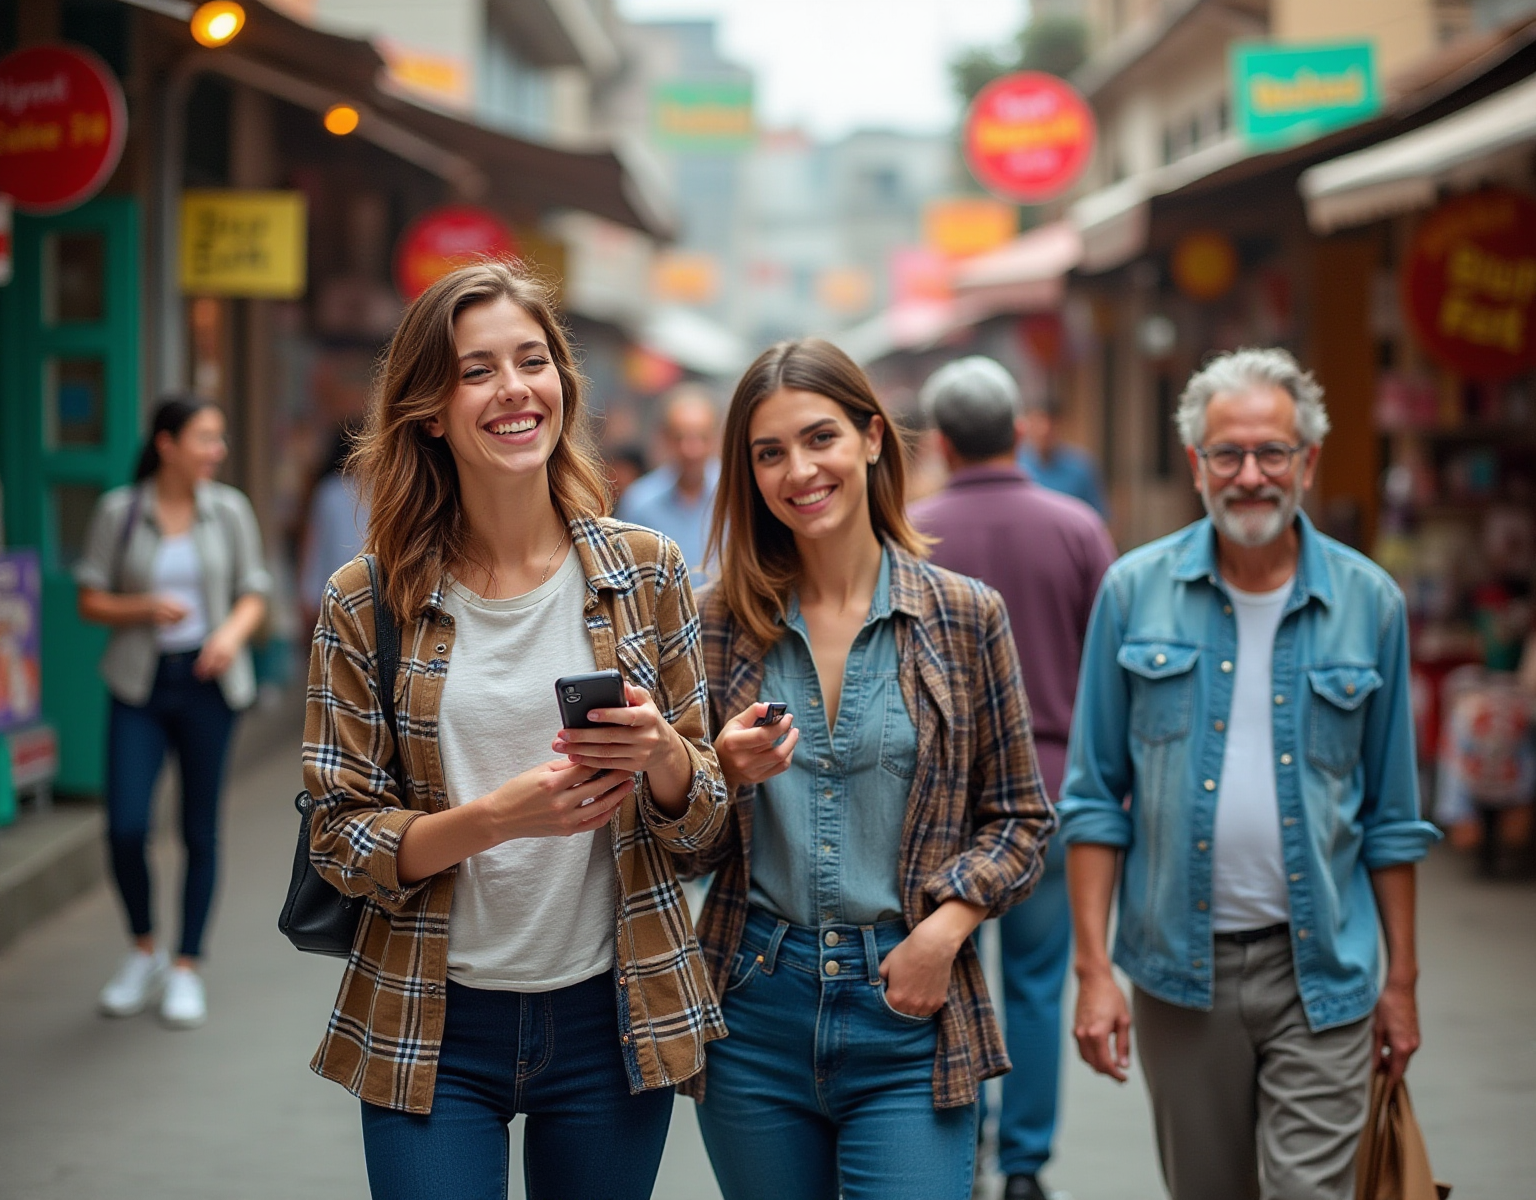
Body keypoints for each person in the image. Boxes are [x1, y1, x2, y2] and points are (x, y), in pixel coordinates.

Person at [301, 260, 729, 1200]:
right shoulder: (367, 599)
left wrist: (663, 757)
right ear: (429, 408)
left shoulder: (648, 575)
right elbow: (337, 836)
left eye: (532, 361)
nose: (514, 390)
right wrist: (495, 818)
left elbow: (704, 829)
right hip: (430, 1016)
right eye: (477, 369)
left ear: (563, 385)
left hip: (611, 1014)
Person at [1061, 348, 1440, 1200]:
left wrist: (1403, 984)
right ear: (1196, 466)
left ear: (1307, 461)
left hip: (1323, 973)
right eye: (1228, 454)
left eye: (1273, 453)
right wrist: (1094, 974)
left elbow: (1392, 817)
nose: (1252, 475)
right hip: (1176, 973)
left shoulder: (1370, 601)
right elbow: (1092, 801)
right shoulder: (1133, 592)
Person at [681, 338, 1056, 1200]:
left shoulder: (964, 616)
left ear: (873, 439)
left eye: (821, 439)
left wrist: (945, 929)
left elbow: (1021, 820)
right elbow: (679, 847)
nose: (799, 470)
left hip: (909, 1006)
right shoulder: (716, 625)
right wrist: (718, 775)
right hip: (752, 1004)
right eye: (769, 452)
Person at [910, 357, 1115, 1200]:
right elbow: (1110, 670)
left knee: (948, 973)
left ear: (945, 442)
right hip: (1053, 793)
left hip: (938, 807)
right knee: (1036, 981)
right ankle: (1027, 1166)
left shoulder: (911, 530)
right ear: (1020, 431)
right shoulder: (1077, 528)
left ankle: (970, 1147)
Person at [76, 397, 271, 1028]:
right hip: (139, 684)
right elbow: (89, 599)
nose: (217, 450)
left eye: (219, 438)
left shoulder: (230, 510)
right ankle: (143, 949)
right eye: (205, 438)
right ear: (166, 443)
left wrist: (229, 637)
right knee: (127, 827)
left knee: (199, 829)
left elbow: (254, 592)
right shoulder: (120, 511)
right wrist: (143, 609)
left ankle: (186, 965)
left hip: (209, 684)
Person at [616, 386, 719, 576]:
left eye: (701, 437)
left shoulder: (737, 495)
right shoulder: (640, 502)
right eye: (680, 437)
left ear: (715, 439)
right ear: (664, 439)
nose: (691, 449)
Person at [298, 419, 369, 633]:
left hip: (337, 594)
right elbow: (316, 546)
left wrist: (309, 595)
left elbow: (314, 548)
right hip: (356, 591)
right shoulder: (331, 491)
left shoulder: (329, 490)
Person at [1017, 395, 1107, 518]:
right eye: (1039, 421)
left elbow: (1098, 517)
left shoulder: (1081, 468)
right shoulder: (1015, 465)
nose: (1044, 430)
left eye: (1051, 423)